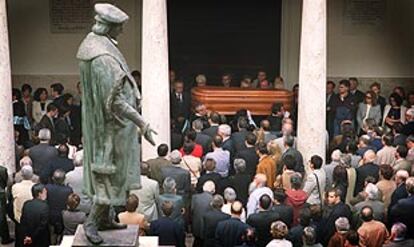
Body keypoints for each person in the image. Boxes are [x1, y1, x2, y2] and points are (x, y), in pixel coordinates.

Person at [77, 3, 157, 244]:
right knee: (108, 177)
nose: (121, 31)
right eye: (119, 27)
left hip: (109, 127)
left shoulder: (98, 44)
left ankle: (104, 218)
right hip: (109, 129)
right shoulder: (101, 57)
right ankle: (92, 222)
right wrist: (142, 123)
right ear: (109, 26)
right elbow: (114, 102)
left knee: (112, 178)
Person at [45, 170, 73, 244]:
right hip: (62, 216)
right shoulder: (68, 190)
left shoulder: (47, 188)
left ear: (53, 178)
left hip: (50, 215)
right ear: (64, 179)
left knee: (52, 235)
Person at [192, 180, 215, 246]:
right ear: (213, 190)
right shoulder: (213, 199)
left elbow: (192, 210)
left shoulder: (195, 197)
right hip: (207, 229)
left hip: (196, 227)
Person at [0, 166, 13, 245]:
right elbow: (6, 183)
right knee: (1, 217)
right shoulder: (2, 170)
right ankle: (5, 238)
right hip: (0, 194)